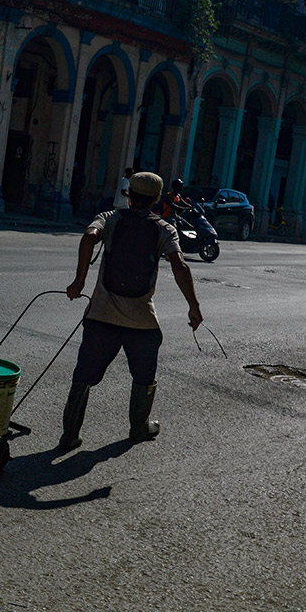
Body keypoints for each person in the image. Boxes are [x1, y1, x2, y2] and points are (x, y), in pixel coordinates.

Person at [60, 172, 203, 450]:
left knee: (83, 376)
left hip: (101, 314)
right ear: (157, 199)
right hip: (140, 319)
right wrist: (193, 307)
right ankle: (139, 428)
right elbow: (179, 266)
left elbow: (89, 237)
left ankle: (69, 435)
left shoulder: (109, 218)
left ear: (128, 194)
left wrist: (79, 281)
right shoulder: (164, 229)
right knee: (144, 375)